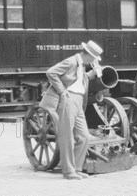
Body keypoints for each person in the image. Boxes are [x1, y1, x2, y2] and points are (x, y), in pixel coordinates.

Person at [39, 40, 104, 180]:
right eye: (94, 58)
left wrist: (94, 73)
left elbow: (77, 79)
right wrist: (62, 91)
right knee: (67, 136)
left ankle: (77, 169)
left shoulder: (81, 65)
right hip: (69, 100)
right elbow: (51, 72)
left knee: (84, 136)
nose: (94, 61)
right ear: (89, 56)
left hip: (78, 101)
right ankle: (68, 172)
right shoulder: (71, 61)